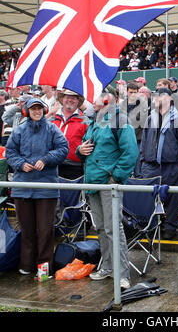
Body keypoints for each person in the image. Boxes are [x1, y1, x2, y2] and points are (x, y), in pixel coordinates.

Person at [76, 85, 138, 290]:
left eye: (95, 95)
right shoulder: (95, 121)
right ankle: (108, 267)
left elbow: (130, 152)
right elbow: (86, 146)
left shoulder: (120, 120)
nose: (90, 99)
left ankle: (122, 274)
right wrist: (79, 150)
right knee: (101, 228)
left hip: (107, 184)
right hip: (93, 182)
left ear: (107, 98)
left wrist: (115, 177)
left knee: (114, 229)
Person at [5, 98, 69, 276]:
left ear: (44, 110)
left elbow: (64, 148)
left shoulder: (52, 129)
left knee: (45, 230)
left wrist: (46, 159)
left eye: (39, 108)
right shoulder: (18, 131)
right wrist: (20, 164)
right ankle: (26, 265)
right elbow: (10, 152)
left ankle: (44, 267)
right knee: (26, 229)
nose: (37, 111)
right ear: (27, 111)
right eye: (33, 109)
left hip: (46, 188)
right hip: (22, 187)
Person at [140, 87, 178, 240]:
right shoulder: (151, 118)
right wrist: (143, 159)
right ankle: (151, 225)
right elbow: (144, 140)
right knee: (149, 198)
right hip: (150, 165)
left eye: (159, 96)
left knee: (172, 199)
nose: (156, 99)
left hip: (171, 165)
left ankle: (170, 227)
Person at [52, 89, 88, 180]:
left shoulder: (86, 121)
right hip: (52, 166)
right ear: (62, 99)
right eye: (67, 97)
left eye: (74, 98)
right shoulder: (51, 119)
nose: (70, 100)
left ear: (78, 101)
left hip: (75, 168)